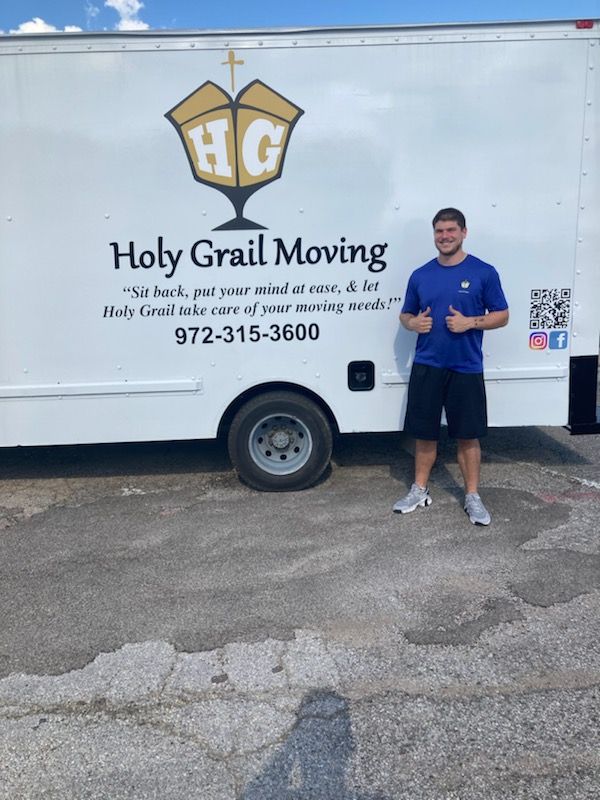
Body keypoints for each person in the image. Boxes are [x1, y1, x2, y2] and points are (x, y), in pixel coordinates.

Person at [394, 208, 509, 525]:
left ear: (463, 233)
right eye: (439, 231)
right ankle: (419, 489)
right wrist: (413, 323)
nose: (444, 236)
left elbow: (502, 315)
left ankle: (472, 496)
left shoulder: (483, 272)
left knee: (468, 436)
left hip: (466, 367)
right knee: (424, 434)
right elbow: (405, 314)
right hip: (427, 365)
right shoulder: (420, 275)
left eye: (450, 230)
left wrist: (470, 322)